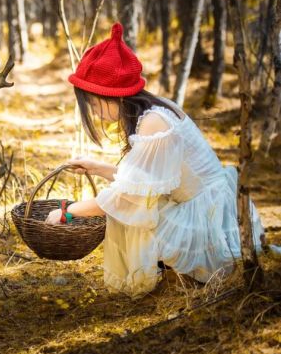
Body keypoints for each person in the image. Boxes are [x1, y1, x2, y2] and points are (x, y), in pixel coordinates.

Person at [44, 22, 266, 297]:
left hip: (206, 222)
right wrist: (99, 168)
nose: (94, 112)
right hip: (207, 206)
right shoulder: (155, 107)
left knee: (134, 217)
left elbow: (127, 198)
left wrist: (68, 212)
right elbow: (146, 184)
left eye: (92, 102)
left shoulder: (154, 124)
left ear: (108, 95)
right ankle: (174, 276)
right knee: (138, 209)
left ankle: (178, 277)